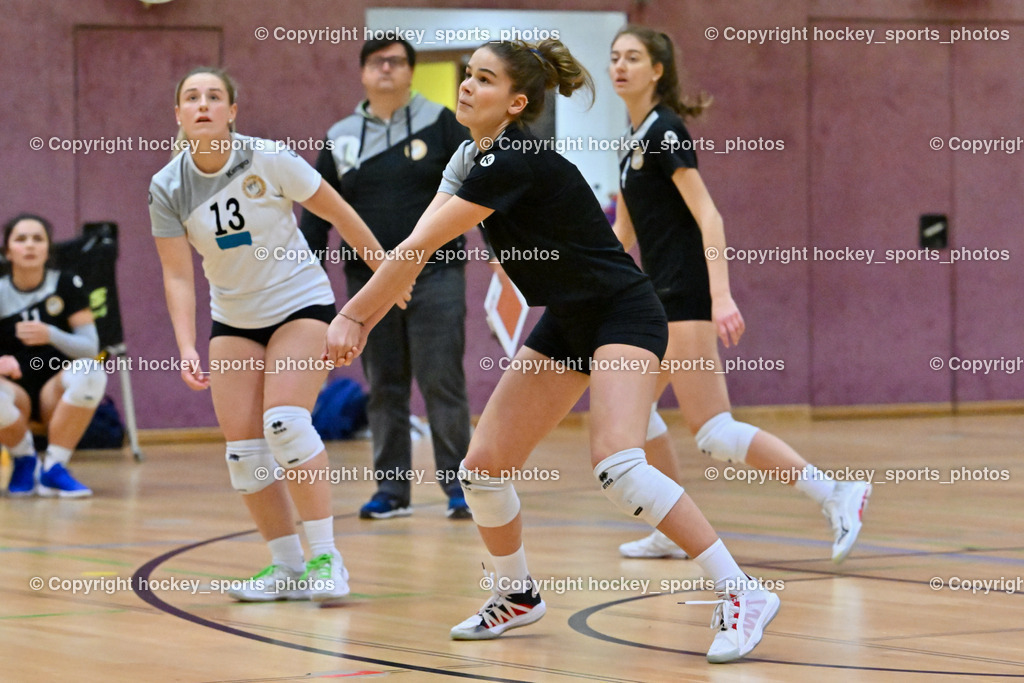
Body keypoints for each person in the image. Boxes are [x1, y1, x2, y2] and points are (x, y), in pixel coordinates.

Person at [324, 39, 780, 664]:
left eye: (485, 79)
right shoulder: (468, 157)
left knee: (617, 464)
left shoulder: (512, 159)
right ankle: (515, 593)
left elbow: (417, 247)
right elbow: (415, 247)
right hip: (568, 321)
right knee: (483, 469)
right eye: (467, 75)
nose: (466, 86)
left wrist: (353, 316)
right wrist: (365, 314)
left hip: (623, 312)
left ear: (516, 103)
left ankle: (741, 590)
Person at [608, 26, 871, 563]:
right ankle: (670, 529)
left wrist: (721, 296)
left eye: (633, 57)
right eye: (614, 57)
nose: (620, 66)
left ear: (657, 70)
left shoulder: (666, 131)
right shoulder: (630, 141)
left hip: (686, 296)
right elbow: (623, 236)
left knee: (713, 430)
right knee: (635, 416)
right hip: (657, 300)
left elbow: (710, 216)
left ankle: (836, 492)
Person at [149, 66, 399, 604]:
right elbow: (177, 275)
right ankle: (285, 566)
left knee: (285, 424)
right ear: (178, 114)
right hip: (233, 318)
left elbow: (339, 213)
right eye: (191, 97)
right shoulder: (167, 186)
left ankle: (326, 558)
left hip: (299, 304)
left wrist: (386, 273)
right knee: (244, 455)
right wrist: (186, 345)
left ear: (232, 111)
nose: (203, 104)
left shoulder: (269, 157)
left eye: (214, 96)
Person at [300, 38, 472, 521]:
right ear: (362, 73)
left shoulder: (442, 123)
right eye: (377, 62)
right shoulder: (340, 137)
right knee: (384, 386)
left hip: (436, 274)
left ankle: (461, 488)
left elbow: (475, 191)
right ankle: (392, 492)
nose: (387, 69)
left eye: (397, 62)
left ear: (411, 71)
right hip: (367, 283)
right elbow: (316, 218)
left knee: (442, 381)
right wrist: (306, 282)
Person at [1, 213, 107, 498]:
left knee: (92, 371)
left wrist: (51, 334)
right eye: (21, 239)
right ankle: (24, 459)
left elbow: (90, 348)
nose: (30, 245)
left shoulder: (66, 284)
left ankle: (54, 468)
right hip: (13, 393)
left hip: (55, 390)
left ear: (48, 249)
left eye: (38, 239)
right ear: (8, 251)